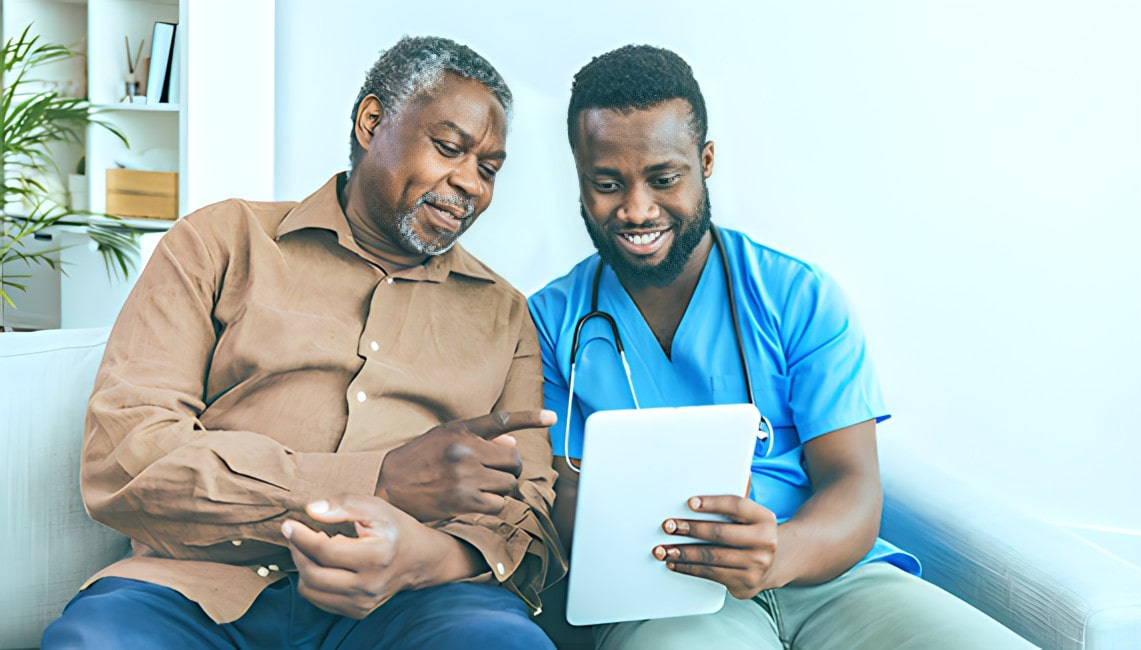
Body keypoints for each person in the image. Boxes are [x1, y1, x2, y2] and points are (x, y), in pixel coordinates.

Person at [42, 36, 563, 650]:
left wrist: (424, 555)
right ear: (373, 122)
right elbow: (127, 454)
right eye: (449, 148)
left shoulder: (504, 315)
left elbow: (526, 515)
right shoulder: (219, 242)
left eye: (489, 168)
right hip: (194, 589)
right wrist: (379, 481)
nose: (469, 183)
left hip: (416, 606)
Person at [528, 45, 1033, 649]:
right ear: (579, 176)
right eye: (607, 183)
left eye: (665, 179)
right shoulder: (550, 323)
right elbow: (559, 499)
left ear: (706, 161)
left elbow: (853, 485)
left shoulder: (796, 295)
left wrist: (778, 552)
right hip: (665, 592)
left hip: (830, 575)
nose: (637, 209)